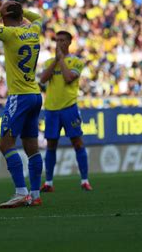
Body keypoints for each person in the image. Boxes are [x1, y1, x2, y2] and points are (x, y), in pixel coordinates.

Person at [0, 1, 44, 208]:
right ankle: (35, 194)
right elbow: (38, 18)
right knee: (32, 147)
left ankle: (21, 192)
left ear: (5, 16)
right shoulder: (33, 30)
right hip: (35, 95)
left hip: (19, 97)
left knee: (5, 144)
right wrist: (19, 10)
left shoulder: (8, 34)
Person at [39, 31, 92, 192]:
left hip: (69, 108)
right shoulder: (49, 61)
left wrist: (61, 59)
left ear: (69, 42)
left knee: (77, 142)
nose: (59, 43)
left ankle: (84, 180)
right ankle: (48, 182)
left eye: (63, 40)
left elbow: (69, 78)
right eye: (57, 40)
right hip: (51, 109)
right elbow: (42, 79)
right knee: (51, 145)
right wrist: (56, 60)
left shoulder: (76, 61)